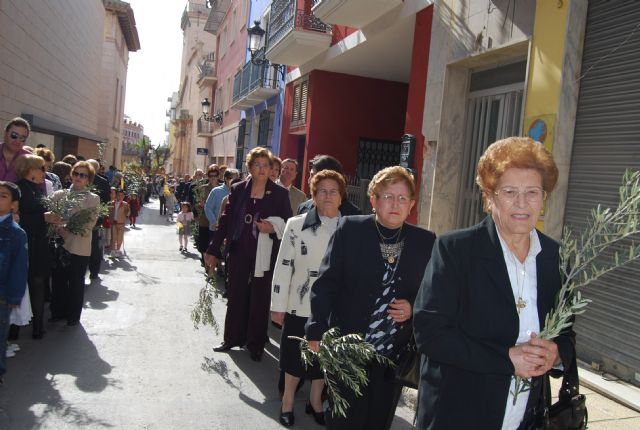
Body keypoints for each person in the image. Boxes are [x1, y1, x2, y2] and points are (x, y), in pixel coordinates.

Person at [413, 137, 575, 429]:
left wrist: (557, 354)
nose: (522, 203)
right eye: (510, 192)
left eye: (532, 192)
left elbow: (567, 333)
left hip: (527, 416)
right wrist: (507, 359)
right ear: (489, 197)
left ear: (543, 199)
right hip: (459, 413)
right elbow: (430, 333)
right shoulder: (456, 250)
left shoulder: (557, 258)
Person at [306, 166, 436, 429]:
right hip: (349, 347)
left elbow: (434, 293)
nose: (395, 204)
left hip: (392, 356)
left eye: (402, 198)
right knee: (344, 420)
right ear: (374, 199)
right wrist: (316, 329)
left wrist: (413, 308)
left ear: (411, 204)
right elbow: (326, 283)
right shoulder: (351, 229)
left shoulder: (425, 241)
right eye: (388, 196)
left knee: (378, 421)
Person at [271, 169, 346, 427]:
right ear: (313, 195)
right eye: (322, 191)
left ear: (341, 196)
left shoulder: (351, 227)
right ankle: (288, 401)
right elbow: (282, 267)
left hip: (334, 307)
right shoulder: (296, 225)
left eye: (333, 191)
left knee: (323, 358)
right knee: (294, 357)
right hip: (299, 303)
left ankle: (315, 401)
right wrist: (277, 306)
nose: (328, 196)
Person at [204, 147, 292, 362]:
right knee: (236, 295)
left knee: (259, 299)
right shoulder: (238, 189)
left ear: (271, 168)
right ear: (250, 167)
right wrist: (213, 249)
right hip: (239, 251)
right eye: (257, 165)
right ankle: (231, 339)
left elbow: (288, 224)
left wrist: (272, 228)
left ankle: (255, 344)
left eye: (265, 165)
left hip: (265, 254)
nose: (261, 169)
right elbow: (225, 221)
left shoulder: (280, 193)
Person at [49, 161, 100, 326]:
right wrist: (57, 227)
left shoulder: (93, 199)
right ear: (71, 175)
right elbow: (50, 215)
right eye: (76, 173)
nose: (78, 177)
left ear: (88, 180)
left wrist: (67, 228)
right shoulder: (59, 195)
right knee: (58, 280)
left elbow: (89, 224)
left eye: (83, 175)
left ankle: (72, 316)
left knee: (76, 282)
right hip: (59, 244)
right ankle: (57, 312)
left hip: (79, 246)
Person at [15, 155, 59, 339]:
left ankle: (38, 327)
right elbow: (17, 219)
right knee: (20, 285)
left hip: (39, 243)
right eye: (41, 168)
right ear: (30, 169)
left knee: (38, 282)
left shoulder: (38, 189)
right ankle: (13, 331)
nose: (44, 172)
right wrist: (44, 217)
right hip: (23, 245)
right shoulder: (18, 189)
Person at [0, 181, 28, 384]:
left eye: (3, 196)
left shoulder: (16, 234)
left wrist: (13, 296)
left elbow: (19, 268)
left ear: (13, 205)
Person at [87, 159, 111, 280]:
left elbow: (106, 200)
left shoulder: (101, 181)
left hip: (94, 218)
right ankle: (94, 271)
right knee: (93, 244)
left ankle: (93, 270)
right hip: (94, 217)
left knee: (93, 244)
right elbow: (107, 200)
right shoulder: (102, 181)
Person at [196, 165, 220, 261]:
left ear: (218, 176)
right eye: (211, 175)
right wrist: (200, 205)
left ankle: (212, 267)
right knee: (205, 245)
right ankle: (207, 265)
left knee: (215, 246)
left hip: (218, 223)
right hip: (205, 221)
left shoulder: (222, 189)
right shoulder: (202, 188)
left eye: (215, 175)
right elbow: (196, 205)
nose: (213, 177)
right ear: (208, 176)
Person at [0, 117, 32, 182]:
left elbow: (40, 189)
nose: (17, 141)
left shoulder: (31, 160)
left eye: (22, 138)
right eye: (14, 135)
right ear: (5, 134)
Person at [109, 189, 130, 257]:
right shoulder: (112, 203)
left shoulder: (125, 204)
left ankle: (117, 250)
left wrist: (127, 209)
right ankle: (112, 251)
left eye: (122, 195)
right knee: (113, 237)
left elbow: (128, 214)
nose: (120, 197)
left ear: (123, 196)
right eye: (119, 195)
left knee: (119, 238)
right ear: (116, 195)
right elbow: (109, 212)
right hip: (114, 223)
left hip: (121, 223)